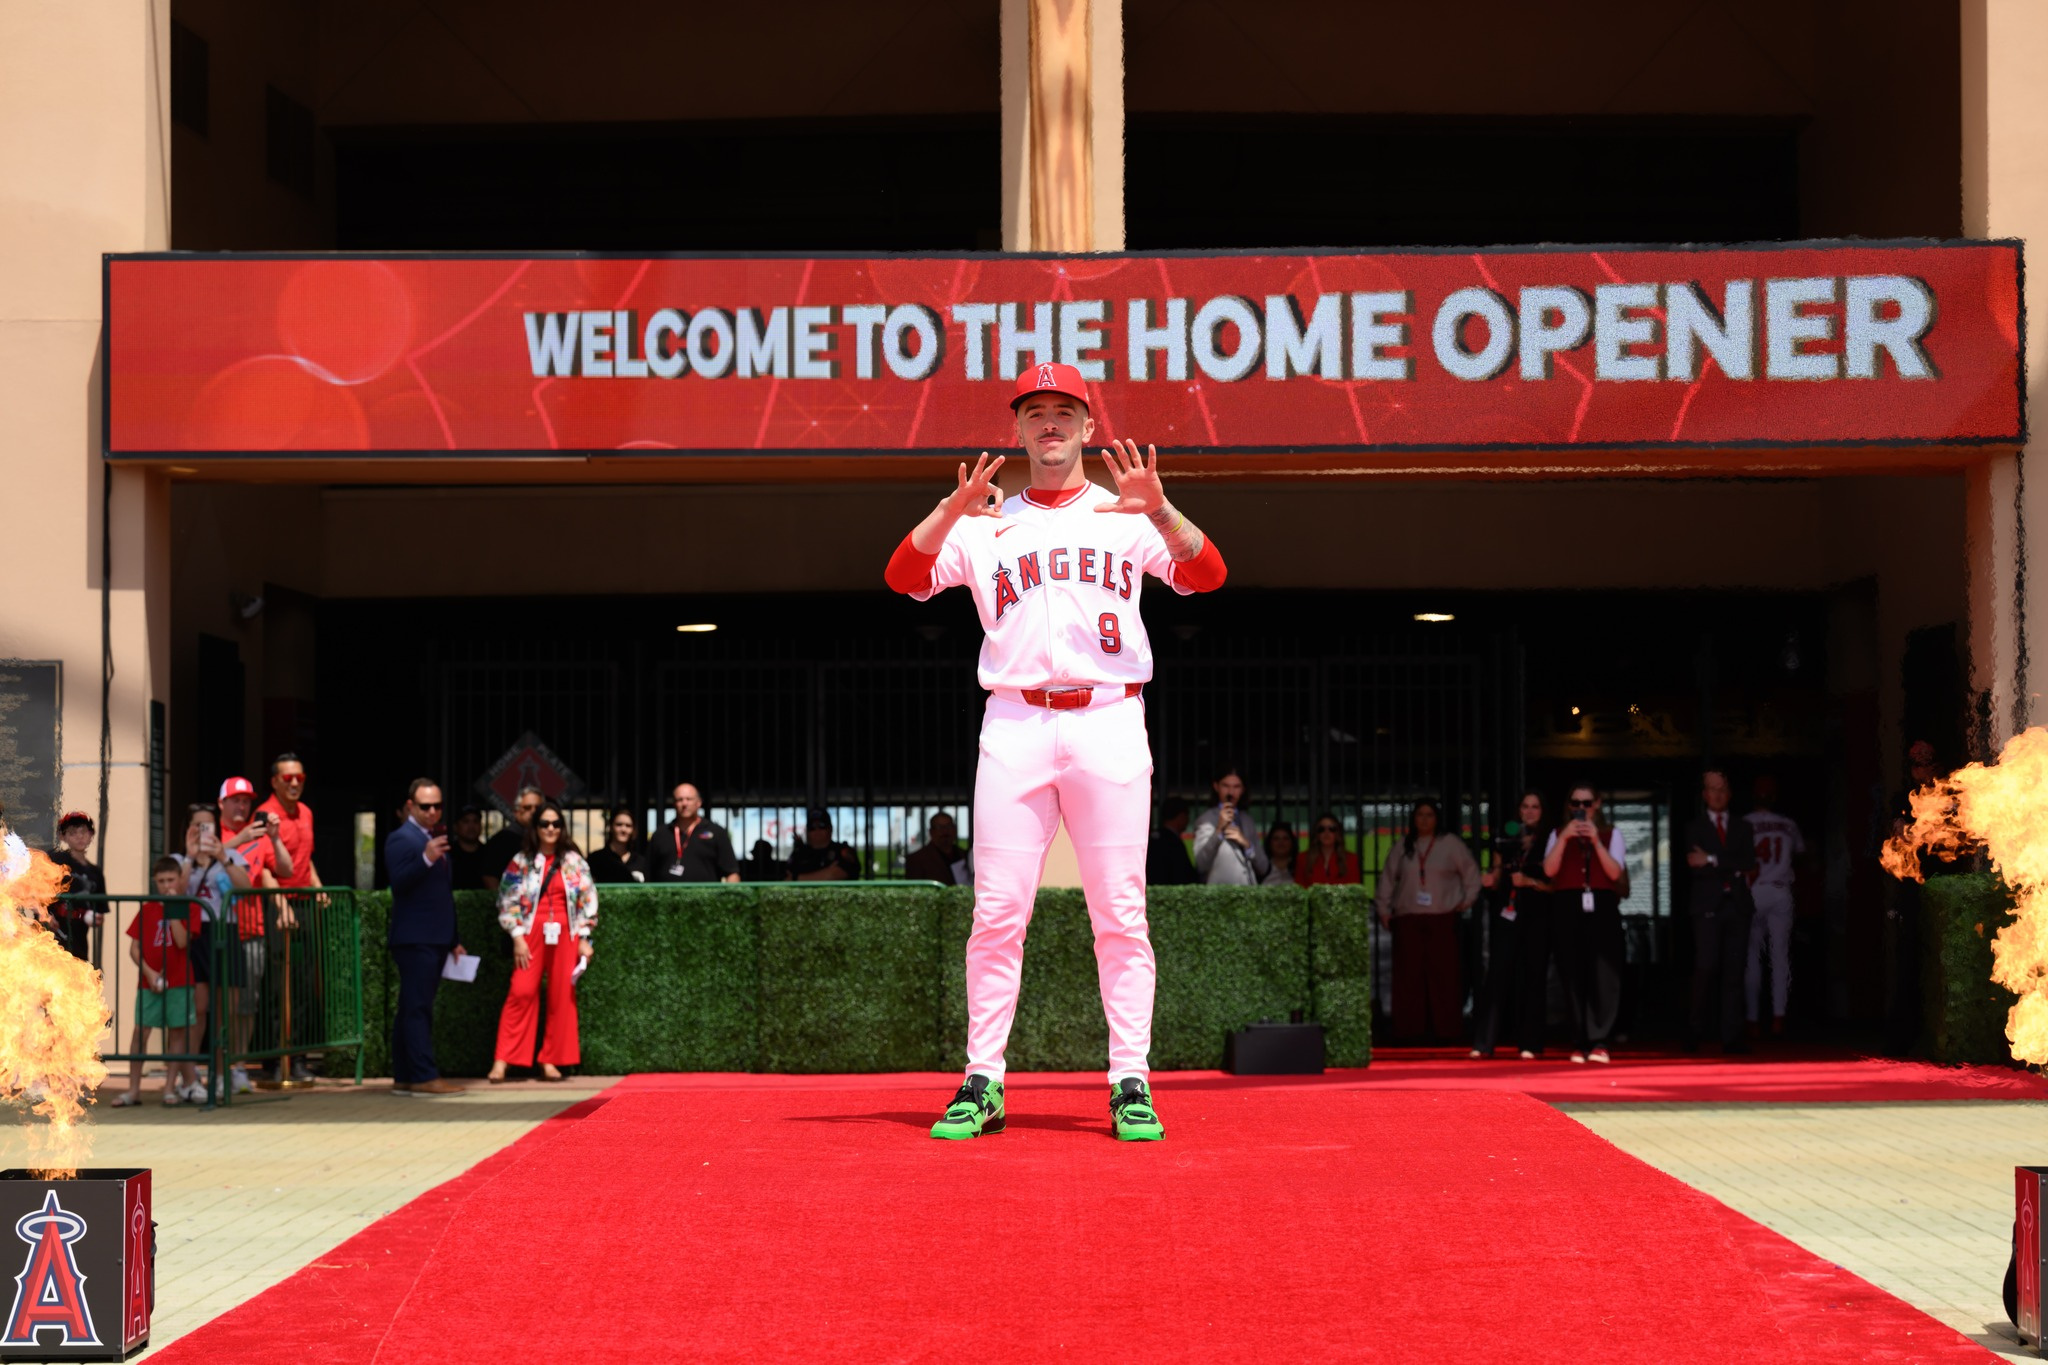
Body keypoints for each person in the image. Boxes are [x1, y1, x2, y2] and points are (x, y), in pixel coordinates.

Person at [884, 361, 1228, 1141]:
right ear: (1017, 428)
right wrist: (948, 509)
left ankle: (1131, 1080)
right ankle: (983, 1079)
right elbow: (902, 575)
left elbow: (1208, 574)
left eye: (1063, 411)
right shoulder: (981, 522)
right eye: (1035, 411)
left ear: (1087, 425)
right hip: (1015, 722)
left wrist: (1166, 511)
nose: (1050, 424)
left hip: (1109, 717)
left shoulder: (1125, 510)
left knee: (1121, 911)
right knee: (998, 910)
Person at [488, 798, 597, 1083]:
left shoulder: (574, 861)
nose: (550, 828)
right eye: (544, 824)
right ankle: (504, 1059)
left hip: (566, 934)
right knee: (521, 991)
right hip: (531, 933)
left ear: (562, 828)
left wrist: (585, 938)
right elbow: (507, 900)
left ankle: (550, 1060)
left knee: (562, 996)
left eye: (556, 824)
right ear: (535, 828)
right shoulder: (520, 861)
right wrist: (517, 937)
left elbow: (588, 900)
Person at [1374, 798, 1482, 1044]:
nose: (1424, 820)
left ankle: (1446, 1030)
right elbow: (1388, 880)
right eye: (1420, 814)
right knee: (1409, 979)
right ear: (1413, 818)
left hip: (1441, 919)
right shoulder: (1403, 846)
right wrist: (1383, 908)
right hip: (1408, 919)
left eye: (1429, 815)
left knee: (1444, 977)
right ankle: (1408, 1031)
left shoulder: (1451, 844)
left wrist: (1464, 902)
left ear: (1437, 818)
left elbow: (1471, 875)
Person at [385, 779, 465, 1096]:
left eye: (437, 806)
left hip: (433, 936)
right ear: (410, 807)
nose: (432, 812)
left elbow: (441, 894)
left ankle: (405, 1076)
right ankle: (422, 1076)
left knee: (411, 1007)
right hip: (414, 938)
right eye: (425, 806)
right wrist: (426, 858)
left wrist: (453, 937)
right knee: (417, 1008)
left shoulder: (434, 838)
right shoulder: (401, 839)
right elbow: (399, 882)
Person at [1543, 783, 1627, 1064]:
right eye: (1575, 804)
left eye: (1587, 803)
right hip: (1567, 904)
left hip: (1602, 905)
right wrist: (1565, 837)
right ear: (1569, 806)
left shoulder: (1611, 833)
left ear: (1597, 804)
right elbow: (1549, 870)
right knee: (1572, 972)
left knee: (1603, 974)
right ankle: (1579, 1039)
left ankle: (1600, 1039)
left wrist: (1596, 841)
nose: (1581, 809)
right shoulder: (1557, 834)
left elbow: (1615, 872)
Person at [113, 856, 200, 1108]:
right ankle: (133, 1090)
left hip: (180, 981)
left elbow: (183, 941)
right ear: (155, 882)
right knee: (141, 1031)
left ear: (179, 880)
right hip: (149, 982)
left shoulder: (190, 906)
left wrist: (172, 909)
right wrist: (149, 973)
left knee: (177, 1033)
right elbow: (134, 949)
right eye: (161, 881)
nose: (166, 885)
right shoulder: (148, 908)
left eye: (171, 880)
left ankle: (170, 1089)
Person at [1472, 791, 1552, 1059]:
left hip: (1537, 912)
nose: (1529, 812)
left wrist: (1529, 882)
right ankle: (1484, 1043)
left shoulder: (1550, 839)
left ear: (1542, 811)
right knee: (1497, 973)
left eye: (1535, 807)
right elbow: (1496, 870)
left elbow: (1556, 884)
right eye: (1525, 807)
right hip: (1507, 911)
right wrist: (1491, 878)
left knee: (1533, 975)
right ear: (1519, 810)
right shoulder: (1507, 837)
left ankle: (1531, 1043)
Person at [1684, 768, 1756, 1053]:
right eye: (1711, 789)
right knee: (1706, 968)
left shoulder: (1743, 827)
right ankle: (1694, 1031)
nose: (1717, 794)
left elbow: (1748, 861)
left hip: (1737, 906)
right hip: (1706, 907)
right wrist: (1730, 863)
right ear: (1704, 794)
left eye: (1721, 789)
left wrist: (1712, 859)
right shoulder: (1694, 826)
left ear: (1729, 793)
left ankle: (1731, 1036)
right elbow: (1693, 862)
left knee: (1734, 972)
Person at [1885, 740, 1945, 1056]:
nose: (1922, 770)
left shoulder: (1951, 795)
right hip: (1912, 889)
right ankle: (1903, 1038)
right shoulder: (1903, 800)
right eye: (1916, 765)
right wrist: (1923, 828)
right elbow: (1900, 833)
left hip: (1943, 884)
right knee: (1908, 964)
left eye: (1927, 763)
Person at [1744, 775, 1805, 1038]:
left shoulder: (1744, 824)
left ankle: (1752, 1019)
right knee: (1779, 958)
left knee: (1752, 959)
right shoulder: (1787, 825)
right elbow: (1802, 854)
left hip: (1753, 890)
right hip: (1780, 890)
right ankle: (1779, 1017)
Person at [649, 783, 741, 883]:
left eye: (689, 799)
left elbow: (731, 873)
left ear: (698, 802)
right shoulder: (660, 834)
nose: (684, 804)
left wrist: (731, 897)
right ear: (674, 804)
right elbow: (648, 872)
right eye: (679, 800)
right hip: (666, 897)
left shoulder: (716, 832)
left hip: (707, 897)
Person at [1192, 767, 1269, 886]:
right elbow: (1201, 864)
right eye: (1225, 786)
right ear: (1216, 787)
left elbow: (1263, 867)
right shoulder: (1206, 820)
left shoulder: (1247, 820)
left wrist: (1246, 844)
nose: (1230, 792)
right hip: (1220, 895)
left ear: (1243, 789)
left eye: (1236, 787)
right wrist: (1218, 831)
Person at [48, 811, 104, 963]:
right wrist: (44, 914)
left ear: (91, 834)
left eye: (83, 832)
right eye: (72, 833)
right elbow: (34, 889)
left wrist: (95, 918)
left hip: (79, 944)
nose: (79, 836)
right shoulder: (55, 860)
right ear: (63, 836)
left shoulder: (95, 873)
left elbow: (99, 911)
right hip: (51, 941)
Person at [481, 786, 544, 893]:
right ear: (516, 811)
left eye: (537, 808)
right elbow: (490, 877)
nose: (533, 812)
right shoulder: (502, 840)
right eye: (528, 807)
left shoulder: (546, 838)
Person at [788, 809, 860, 880]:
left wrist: (797, 878)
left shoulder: (842, 850)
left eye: (822, 825)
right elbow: (787, 876)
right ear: (807, 831)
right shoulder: (799, 853)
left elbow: (837, 874)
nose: (817, 830)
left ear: (830, 829)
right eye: (812, 827)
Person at [586, 807, 649, 884]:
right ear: (611, 827)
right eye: (619, 825)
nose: (623, 829)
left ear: (633, 830)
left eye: (628, 826)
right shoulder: (596, 859)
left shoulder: (641, 862)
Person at [1145, 796, 1197, 886]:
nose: (1188, 820)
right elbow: (1183, 875)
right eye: (1187, 815)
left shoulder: (1152, 839)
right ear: (1181, 817)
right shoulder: (1173, 842)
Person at [1295, 813, 1360, 885]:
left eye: (1332, 829)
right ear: (1317, 834)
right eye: (1321, 829)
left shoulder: (1351, 859)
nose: (1326, 832)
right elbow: (1300, 890)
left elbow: (1354, 891)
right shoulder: (1303, 859)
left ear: (1338, 833)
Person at [905, 812, 969, 884]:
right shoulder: (916, 859)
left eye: (948, 826)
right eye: (939, 827)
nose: (945, 831)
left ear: (955, 829)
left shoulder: (966, 855)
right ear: (931, 831)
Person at [447, 805, 488, 891]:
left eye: (475, 821)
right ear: (455, 827)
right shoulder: (447, 853)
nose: (471, 826)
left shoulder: (489, 853)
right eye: (466, 821)